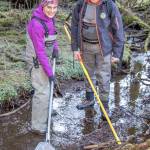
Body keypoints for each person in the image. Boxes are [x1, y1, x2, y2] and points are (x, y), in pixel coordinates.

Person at [71, 0, 124, 119]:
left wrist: (117, 52)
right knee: (88, 74)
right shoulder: (80, 5)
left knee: (104, 77)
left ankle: (104, 107)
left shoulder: (109, 5)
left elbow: (118, 29)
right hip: (85, 47)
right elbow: (74, 25)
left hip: (104, 49)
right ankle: (89, 99)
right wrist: (75, 48)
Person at [26, 0, 59, 134]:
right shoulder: (36, 24)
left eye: (55, 8)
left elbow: (53, 34)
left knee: (49, 87)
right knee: (42, 91)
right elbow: (40, 52)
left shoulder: (50, 19)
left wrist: (55, 48)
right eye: (49, 7)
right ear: (42, 6)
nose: (52, 10)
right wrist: (50, 73)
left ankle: (47, 111)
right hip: (37, 61)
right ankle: (38, 126)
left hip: (46, 58)